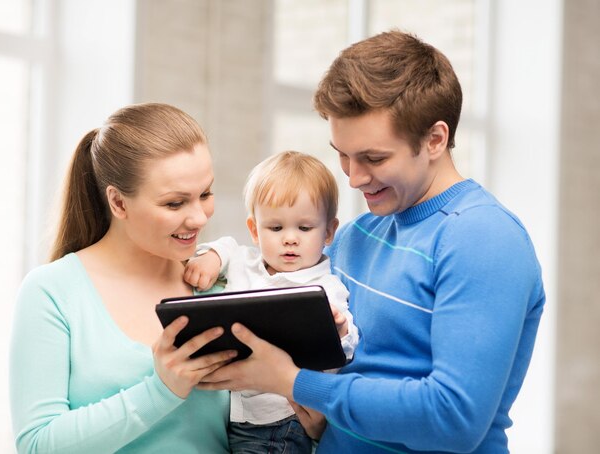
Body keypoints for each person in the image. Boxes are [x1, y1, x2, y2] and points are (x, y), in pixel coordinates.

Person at [197, 30, 546, 453]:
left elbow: (454, 417)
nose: (353, 177)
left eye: (374, 158)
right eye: (342, 154)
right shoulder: (352, 238)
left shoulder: (484, 239)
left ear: (434, 139)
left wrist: (293, 383)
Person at [9, 103, 236, 453]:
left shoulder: (220, 283)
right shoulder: (52, 292)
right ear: (117, 202)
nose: (198, 218)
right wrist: (160, 390)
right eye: (175, 204)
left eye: (204, 194)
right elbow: (38, 445)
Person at [184, 150, 359, 454]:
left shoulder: (324, 287)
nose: (290, 239)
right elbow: (226, 246)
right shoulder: (245, 263)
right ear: (254, 230)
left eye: (304, 228)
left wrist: (340, 330)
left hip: (283, 420)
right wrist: (210, 257)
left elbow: (348, 347)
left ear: (329, 231)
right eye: (276, 228)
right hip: (233, 415)